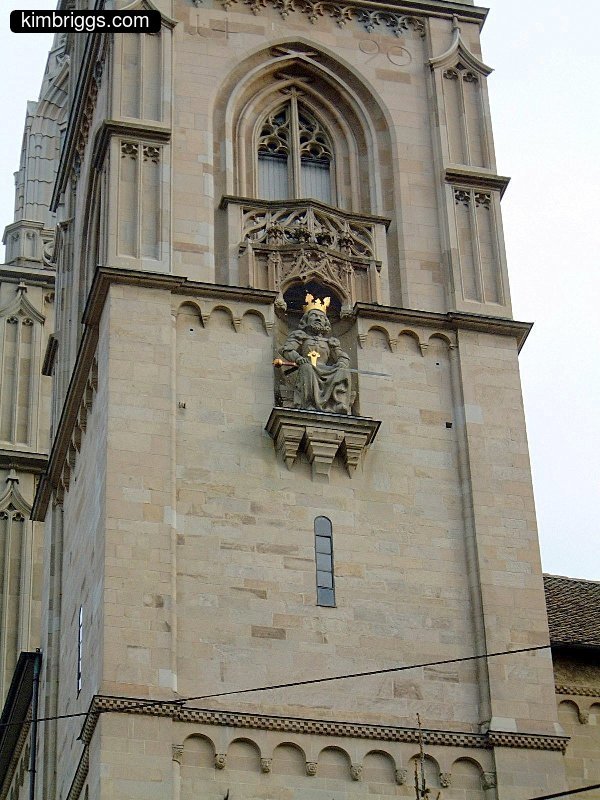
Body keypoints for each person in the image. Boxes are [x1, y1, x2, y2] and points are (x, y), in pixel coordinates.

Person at [281, 295, 352, 414]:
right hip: (308, 367)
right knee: (307, 368)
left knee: (343, 370)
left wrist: (342, 363)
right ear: (306, 320)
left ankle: (339, 402)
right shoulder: (300, 336)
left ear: (326, 322)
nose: (318, 318)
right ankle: (308, 402)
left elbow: (342, 357)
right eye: (314, 315)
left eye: (321, 317)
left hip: (326, 369)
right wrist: (299, 358)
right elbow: (286, 350)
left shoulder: (331, 342)